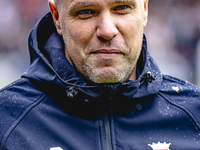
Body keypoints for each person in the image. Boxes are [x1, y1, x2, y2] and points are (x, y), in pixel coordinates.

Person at [0, 0, 200, 149]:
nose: (107, 30)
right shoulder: (6, 120)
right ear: (57, 18)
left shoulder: (194, 115)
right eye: (86, 11)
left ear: (145, 10)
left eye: (121, 8)